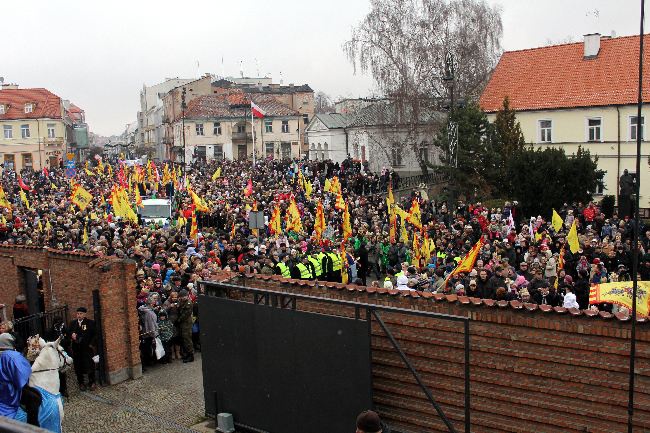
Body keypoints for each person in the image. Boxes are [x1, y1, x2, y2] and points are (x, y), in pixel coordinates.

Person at [68, 306, 97, 391]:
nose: (79, 315)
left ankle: (92, 382)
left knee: (90, 365)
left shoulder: (90, 323)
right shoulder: (73, 323)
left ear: (84, 314)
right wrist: (72, 335)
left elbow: (95, 334)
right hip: (77, 349)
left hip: (87, 348)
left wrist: (91, 344)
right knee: (78, 366)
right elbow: (69, 332)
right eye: (78, 314)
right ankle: (81, 382)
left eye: (81, 314)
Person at [176, 289, 194, 363]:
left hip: (186, 323)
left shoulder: (188, 304)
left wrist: (178, 320)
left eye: (184, 296)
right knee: (184, 339)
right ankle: (186, 353)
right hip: (183, 324)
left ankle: (190, 355)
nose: (183, 298)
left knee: (187, 339)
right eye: (182, 296)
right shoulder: (181, 302)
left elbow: (185, 315)